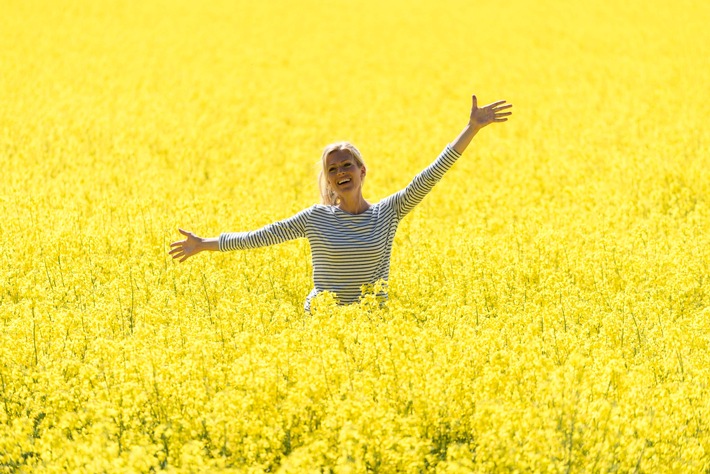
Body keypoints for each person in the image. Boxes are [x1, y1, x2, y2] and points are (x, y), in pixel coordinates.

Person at [170, 94, 512, 311]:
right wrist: (204, 245)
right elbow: (259, 237)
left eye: (347, 165)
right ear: (329, 180)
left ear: (362, 171)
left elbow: (429, 176)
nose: (340, 172)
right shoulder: (316, 218)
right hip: (323, 325)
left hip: (371, 326)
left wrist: (472, 129)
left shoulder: (387, 213)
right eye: (332, 169)